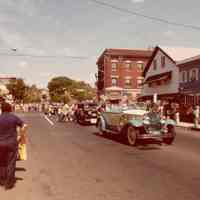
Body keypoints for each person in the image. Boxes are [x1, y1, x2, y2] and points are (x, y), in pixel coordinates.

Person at [0, 102, 27, 189]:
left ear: (2, 109)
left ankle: (2, 180)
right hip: (12, 143)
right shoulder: (13, 117)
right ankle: (9, 182)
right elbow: (24, 125)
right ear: (10, 109)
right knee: (11, 162)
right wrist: (20, 136)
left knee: (2, 162)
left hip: (0, 143)